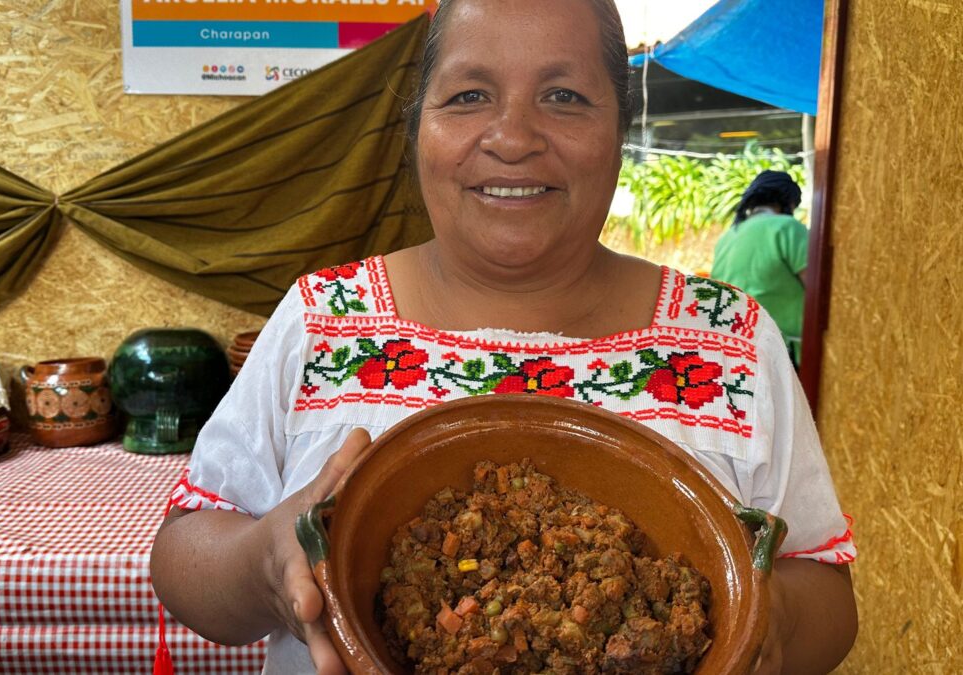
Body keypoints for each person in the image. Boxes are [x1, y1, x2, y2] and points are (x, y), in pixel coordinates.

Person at [150, 1, 858, 674]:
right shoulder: (321, 318)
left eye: (564, 96)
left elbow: (825, 590)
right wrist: (264, 563)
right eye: (468, 96)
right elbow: (186, 550)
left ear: (621, 127)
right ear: (417, 124)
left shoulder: (728, 339)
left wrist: (766, 625)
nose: (513, 138)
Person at [712, 170, 809, 366]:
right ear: (789, 203)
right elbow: (816, 288)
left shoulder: (727, 237)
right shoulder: (788, 227)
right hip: (783, 353)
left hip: (735, 350)